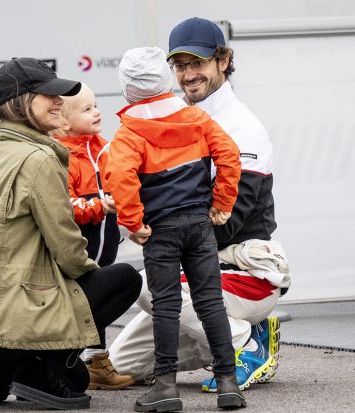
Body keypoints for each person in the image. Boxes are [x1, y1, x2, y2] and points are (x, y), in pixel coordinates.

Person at [0, 57, 142, 411]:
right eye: (46, 95)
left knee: (77, 376)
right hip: (22, 308)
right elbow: (68, 251)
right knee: (125, 279)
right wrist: (91, 284)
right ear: (20, 103)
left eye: (59, 95)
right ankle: (35, 362)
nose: (58, 102)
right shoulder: (39, 160)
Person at [108, 17, 292, 393]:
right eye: (179, 65)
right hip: (194, 265)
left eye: (198, 63)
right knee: (120, 365)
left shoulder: (243, 126)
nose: (188, 75)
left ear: (223, 61)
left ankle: (246, 343)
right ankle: (221, 338)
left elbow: (231, 220)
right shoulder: (168, 113)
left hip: (244, 264)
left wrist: (161, 235)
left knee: (148, 285)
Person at [106, 47, 245, 412]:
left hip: (160, 230)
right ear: (166, 80)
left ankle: (165, 387)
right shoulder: (196, 118)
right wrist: (222, 203)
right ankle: (229, 382)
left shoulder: (128, 133)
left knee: (165, 306)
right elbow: (229, 154)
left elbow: (119, 177)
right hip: (200, 223)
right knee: (210, 302)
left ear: (127, 89)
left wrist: (133, 223)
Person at [55, 83, 134, 390]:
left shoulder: (104, 148)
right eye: (87, 109)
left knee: (99, 301)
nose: (97, 112)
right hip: (78, 255)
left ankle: (96, 361)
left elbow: (122, 187)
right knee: (84, 304)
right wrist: (99, 206)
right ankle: (74, 359)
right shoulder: (62, 156)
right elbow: (64, 205)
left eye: (96, 105)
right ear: (63, 120)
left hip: (106, 250)